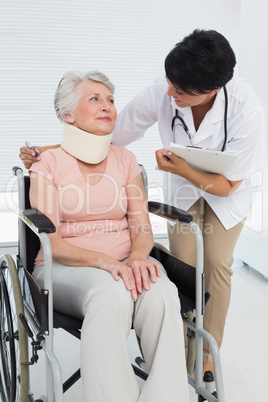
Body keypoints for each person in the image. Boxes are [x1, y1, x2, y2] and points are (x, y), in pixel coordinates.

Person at [20, 29, 266, 374]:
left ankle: (206, 358)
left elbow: (227, 185)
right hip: (183, 185)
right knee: (183, 262)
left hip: (225, 191)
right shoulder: (167, 87)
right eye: (169, 83)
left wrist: (181, 169)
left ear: (211, 90)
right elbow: (113, 130)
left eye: (180, 92)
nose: (170, 92)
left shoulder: (247, 110)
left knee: (217, 263)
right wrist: (51, 150)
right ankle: (177, 356)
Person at [28, 70, 190, 402]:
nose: (108, 106)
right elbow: (53, 242)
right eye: (95, 99)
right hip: (63, 267)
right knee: (111, 293)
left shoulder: (125, 160)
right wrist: (105, 263)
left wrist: (137, 258)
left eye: (111, 100)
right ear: (68, 114)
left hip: (124, 264)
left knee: (162, 293)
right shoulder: (47, 164)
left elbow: (141, 227)